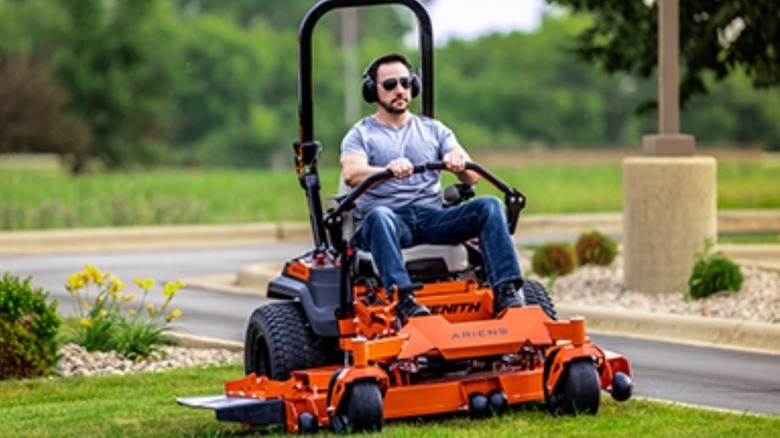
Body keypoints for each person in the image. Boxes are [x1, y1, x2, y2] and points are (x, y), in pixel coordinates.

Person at [340, 53, 525, 322]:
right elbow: (352, 172)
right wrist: (386, 171)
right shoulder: (361, 134)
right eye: (390, 85)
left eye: (405, 83)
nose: (399, 90)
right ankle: (403, 299)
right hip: (387, 221)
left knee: (489, 206)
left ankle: (507, 292)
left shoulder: (434, 130)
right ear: (372, 91)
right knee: (380, 216)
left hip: (431, 217)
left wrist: (459, 163)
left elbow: (472, 178)